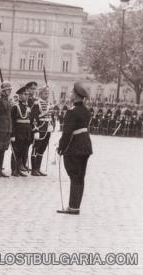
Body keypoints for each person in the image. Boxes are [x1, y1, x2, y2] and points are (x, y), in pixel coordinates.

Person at [57, 82, 93, 215]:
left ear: (77, 96)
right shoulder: (86, 111)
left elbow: (67, 133)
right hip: (85, 146)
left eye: (72, 92)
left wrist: (61, 147)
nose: (70, 94)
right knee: (80, 176)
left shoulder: (72, 112)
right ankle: (75, 206)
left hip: (75, 147)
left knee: (74, 176)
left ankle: (72, 207)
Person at [30, 85, 54, 176]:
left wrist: (52, 125)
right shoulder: (37, 104)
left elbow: (50, 117)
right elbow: (33, 118)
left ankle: (38, 168)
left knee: (42, 149)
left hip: (47, 129)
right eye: (45, 93)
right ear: (40, 94)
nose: (47, 95)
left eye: (48, 93)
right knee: (36, 148)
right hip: (40, 128)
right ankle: (33, 169)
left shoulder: (48, 104)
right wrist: (35, 130)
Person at [11, 86, 32, 177]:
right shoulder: (15, 107)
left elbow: (29, 121)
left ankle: (20, 168)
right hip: (18, 133)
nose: (26, 96)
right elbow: (12, 122)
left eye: (27, 94)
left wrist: (30, 134)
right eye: (24, 94)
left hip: (26, 133)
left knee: (23, 151)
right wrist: (12, 134)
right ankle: (14, 169)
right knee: (16, 151)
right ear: (19, 95)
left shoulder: (27, 107)